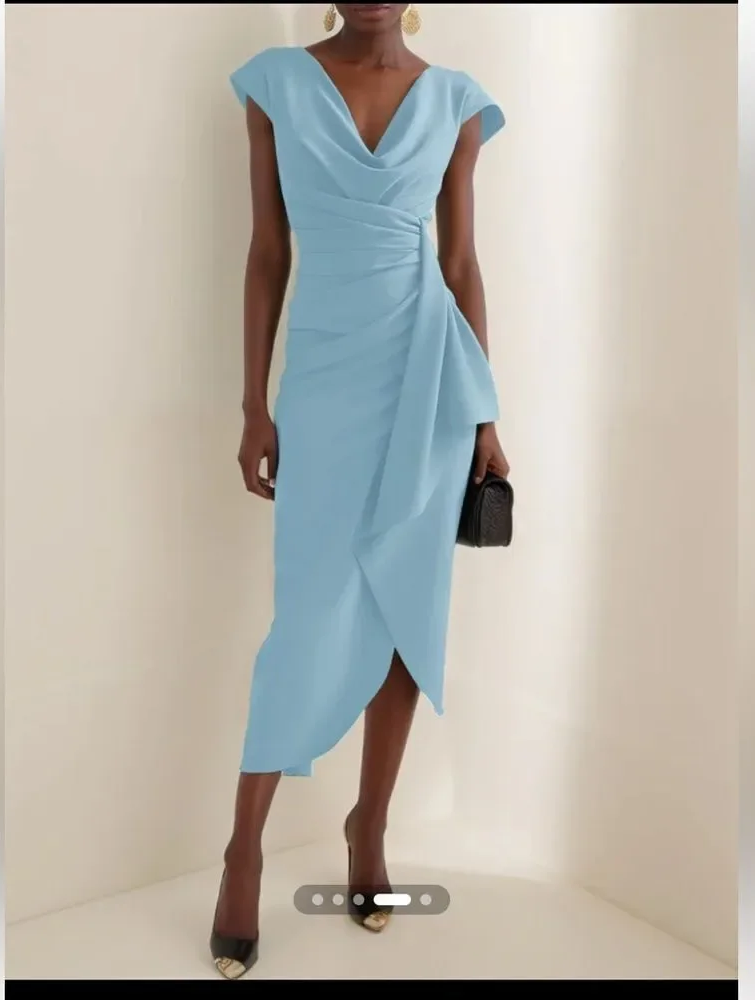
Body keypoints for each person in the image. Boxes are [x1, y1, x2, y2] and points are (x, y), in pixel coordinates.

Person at [211, 3, 509, 978]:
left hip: (428, 382)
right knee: (304, 618)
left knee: (405, 613)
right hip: (326, 380)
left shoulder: (456, 102)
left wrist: (486, 418)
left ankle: (368, 827)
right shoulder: (274, 87)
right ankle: (243, 850)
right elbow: (268, 251)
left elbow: (459, 264)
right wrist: (253, 406)